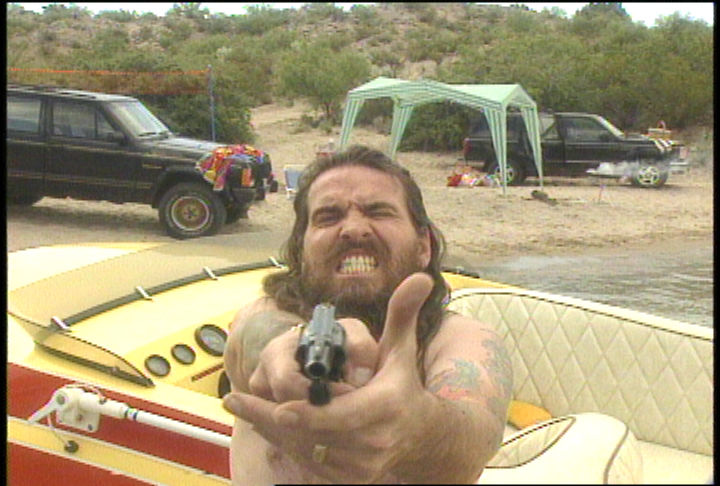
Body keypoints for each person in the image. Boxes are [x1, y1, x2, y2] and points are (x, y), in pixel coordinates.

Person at [222, 145, 513, 484]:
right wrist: (297, 353)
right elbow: (260, 336)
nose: (354, 229)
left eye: (378, 212)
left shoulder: (462, 338)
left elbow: (474, 433)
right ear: (300, 250)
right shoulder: (265, 314)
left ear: (423, 247)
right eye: (329, 217)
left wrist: (419, 428)